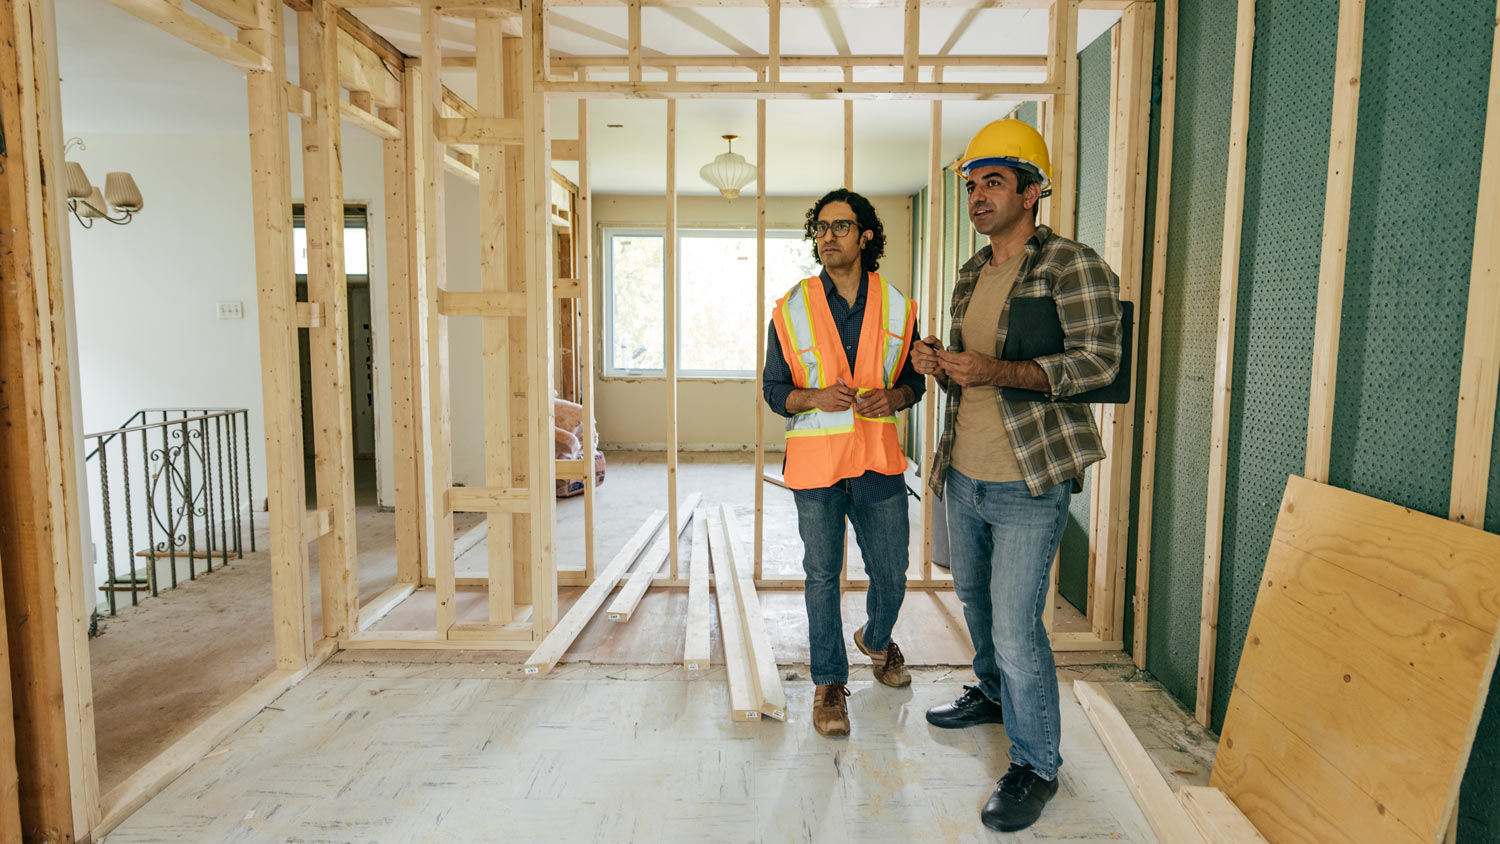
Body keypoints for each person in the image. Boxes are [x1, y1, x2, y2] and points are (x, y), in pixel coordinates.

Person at [911, 120, 1122, 832]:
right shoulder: (972, 274)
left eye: (993, 182)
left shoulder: (1071, 265)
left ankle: (1036, 765)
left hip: (1029, 483)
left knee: (1017, 626)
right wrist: (941, 366)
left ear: (1033, 192)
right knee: (975, 603)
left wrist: (997, 370)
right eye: (972, 184)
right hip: (964, 475)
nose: (977, 196)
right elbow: (972, 381)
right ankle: (995, 696)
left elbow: (1101, 363)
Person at [762, 189, 925, 738]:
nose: (828, 236)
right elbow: (773, 390)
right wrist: (812, 398)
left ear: (866, 236)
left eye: (840, 226)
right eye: (821, 228)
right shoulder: (791, 308)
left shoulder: (899, 307)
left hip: (877, 462)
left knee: (892, 573)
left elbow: (915, 381)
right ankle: (829, 683)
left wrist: (894, 398)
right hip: (817, 467)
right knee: (821, 575)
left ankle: (876, 638)